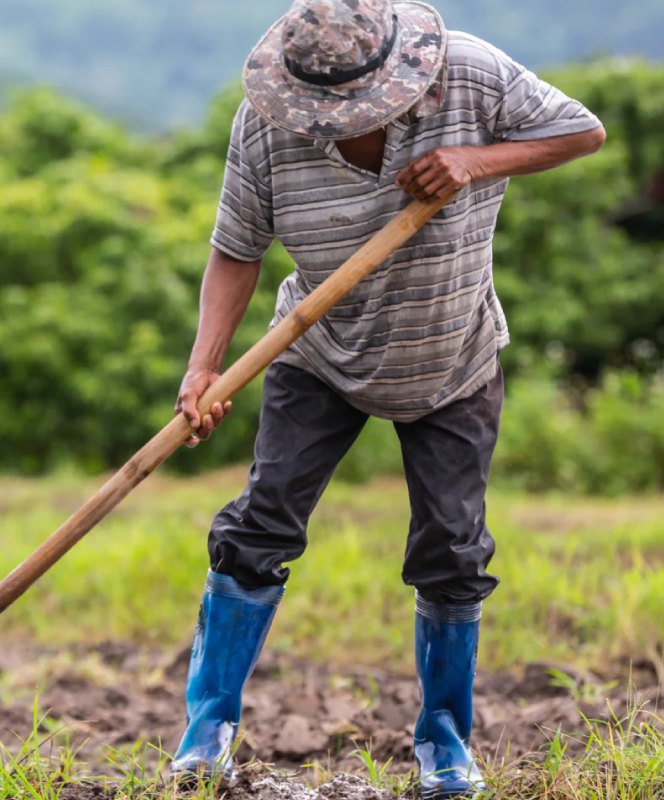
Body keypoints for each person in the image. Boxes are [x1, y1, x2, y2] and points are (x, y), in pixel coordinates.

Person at [169, 0, 606, 796]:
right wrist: (204, 368)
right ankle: (206, 738)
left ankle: (445, 747)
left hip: (453, 356)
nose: (334, 121)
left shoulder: (470, 73)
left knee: (451, 548)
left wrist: (476, 161)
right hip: (318, 353)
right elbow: (236, 249)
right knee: (258, 526)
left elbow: (584, 131)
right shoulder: (266, 125)